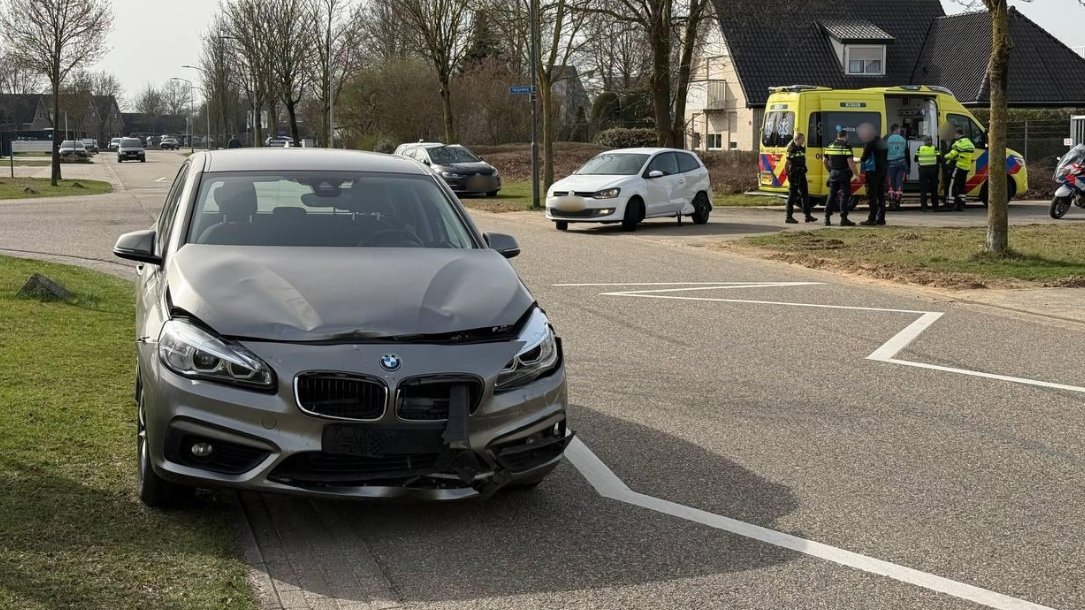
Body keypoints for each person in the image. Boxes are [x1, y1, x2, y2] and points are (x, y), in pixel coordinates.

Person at [823, 129, 858, 227]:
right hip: (843, 174)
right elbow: (851, 163)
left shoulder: (830, 146)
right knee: (844, 196)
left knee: (831, 195)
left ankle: (827, 218)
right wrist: (856, 175)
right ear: (845, 136)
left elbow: (824, 161)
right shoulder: (846, 146)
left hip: (833, 173)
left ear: (838, 135)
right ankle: (844, 219)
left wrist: (830, 171)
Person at [858, 123, 888, 226]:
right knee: (881, 195)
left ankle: (872, 218)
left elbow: (864, 158)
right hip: (882, 171)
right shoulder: (882, 142)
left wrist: (857, 160)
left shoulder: (869, 143)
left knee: (872, 195)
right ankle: (881, 218)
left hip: (872, 171)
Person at [783, 132, 817, 224]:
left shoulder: (801, 149)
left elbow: (802, 160)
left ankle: (807, 215)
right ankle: (788, 216)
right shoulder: (792, 149)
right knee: (792, 196)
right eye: (802, 139)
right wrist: (789, 175)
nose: (804, 140)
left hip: (801, 174)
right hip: (794, 175)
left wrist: (804, 168)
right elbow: (787, 164)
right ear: (798, 139)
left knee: (805, 195)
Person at [944, 127, 975, 211]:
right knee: (961, 186)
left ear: (957, 134)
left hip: (958, 166)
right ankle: (961, 203)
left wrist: (945, 156)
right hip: (966, 167)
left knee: (952, 185)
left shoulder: (958, 143)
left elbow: (952, 154)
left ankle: (950, 203)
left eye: (955, 134)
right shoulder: (969, 143)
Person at [914, 136, 941, 212]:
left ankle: (924, 207)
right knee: (934, 189)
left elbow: (915, 159)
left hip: (923, 170)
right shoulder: (935, 148)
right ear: (931, 141)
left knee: (923, 190)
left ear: (924, 141)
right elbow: (939, 159)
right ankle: (935, 207)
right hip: (933, 170)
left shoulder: (920, 148)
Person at [885, 124, 909, 210]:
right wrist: (908, 167)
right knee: (899, 183)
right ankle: (898, 203)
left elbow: (883, 151)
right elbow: (907, 153)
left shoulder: (887, 138)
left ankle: (892, 204)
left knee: (891, 183)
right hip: (902, 162)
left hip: (890, 163)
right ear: (897, 129)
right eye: (899, 129)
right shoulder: (903, 139)